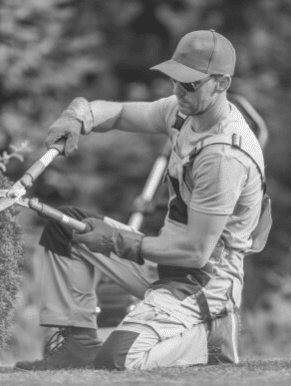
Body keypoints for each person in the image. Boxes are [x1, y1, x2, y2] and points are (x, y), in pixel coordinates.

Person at [15, 29, 271, 371]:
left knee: (117, 359)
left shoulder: (224, 155)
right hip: (164, 264)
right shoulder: (185, 112)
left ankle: (209, 339)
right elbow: (120, 113)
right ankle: (76, 346)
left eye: (190, 83)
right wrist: (81, 115)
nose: (178, 89)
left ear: (221, 84)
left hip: (203, 285)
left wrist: (118, 240)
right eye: (175, 79)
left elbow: (195, 253)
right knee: (64, 230)